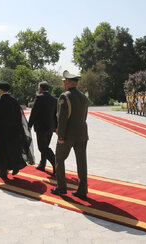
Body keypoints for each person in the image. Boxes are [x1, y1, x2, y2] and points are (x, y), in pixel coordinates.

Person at [51, 70, 89, 201]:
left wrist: (60, 137)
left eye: (64, 81)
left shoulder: (65, 96)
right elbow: (84, 116)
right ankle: (83, 190)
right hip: (82, 133)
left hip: (68, 135)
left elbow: (62, 119)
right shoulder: (83, 96)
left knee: (59, 160)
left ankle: (61, 188)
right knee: (82, 162)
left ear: (67, 82)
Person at [0, 82, 34, 180]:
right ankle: (15, 167)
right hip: (14, 131)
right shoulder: (14, 101)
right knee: (13, 150)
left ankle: (3, 172)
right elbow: (19, 117)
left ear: (0, 90)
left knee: (2, 151)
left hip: (2, 132)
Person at [28, 81, 57, 175]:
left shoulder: (39, 97)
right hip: (50, 127)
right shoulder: (54, 99)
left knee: (42, 148)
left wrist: (29, 125)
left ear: (40, 88)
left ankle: (56, 164)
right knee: (45, 146)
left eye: (38, 88)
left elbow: (34, 112)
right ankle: (42, 164)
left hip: (41, 127)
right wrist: (56, 127)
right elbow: (55, 115)